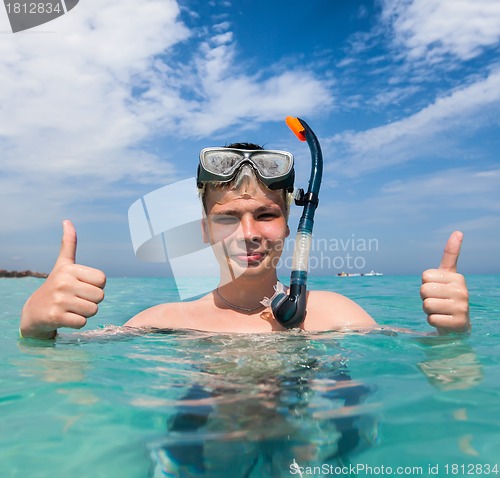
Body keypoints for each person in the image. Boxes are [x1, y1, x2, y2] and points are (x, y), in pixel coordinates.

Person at [19, 144, 470, 339]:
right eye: (228, 217)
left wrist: (451, 336)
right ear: (203, 230)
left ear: (289, 225)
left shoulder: (337, 315)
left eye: (267, 214)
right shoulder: (160, 321)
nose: (250, 233)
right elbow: (64, 367)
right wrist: (35, 327)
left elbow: (434, 368)